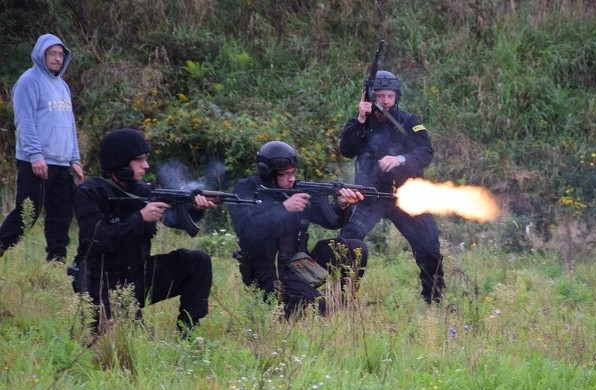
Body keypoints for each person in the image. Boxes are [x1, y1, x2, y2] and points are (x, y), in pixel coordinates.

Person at [72, 128, 216, 336]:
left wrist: (195, 209)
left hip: (138, 275)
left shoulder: (143, 191)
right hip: (103, 283)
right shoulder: (90, 193)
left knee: (197, 261)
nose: (146, 165)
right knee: (134, 342)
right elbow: (97, 240)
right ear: (119, 162)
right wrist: (139, 219)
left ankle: (188, 331)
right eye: (139, 160)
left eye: (145, 159)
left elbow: (175, 220)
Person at [339, 70, 444, 304]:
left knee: (429, 246)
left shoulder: (409, 122)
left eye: (390, 96)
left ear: (397, 96)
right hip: (370, 197)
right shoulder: (360, 123)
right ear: (370, 97)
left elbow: (425, 152)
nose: (385, 101)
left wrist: (400, 160)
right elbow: (346, 150)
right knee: (348, 242)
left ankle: (434, 299)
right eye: (380, 96)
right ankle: (342, 298)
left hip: (405, 196)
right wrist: (360, 120)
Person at [229, 141, 368, 318]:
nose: (291, 179)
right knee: (321, 308)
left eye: (293, 173)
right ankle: (294, 306)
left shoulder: (297, 190)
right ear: (268, 173)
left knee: (356, 249)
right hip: (268, 275)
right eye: (284, 175)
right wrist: (283, 209)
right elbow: (247, 229)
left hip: (298, 266)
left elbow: (330, 220)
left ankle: (343, 300)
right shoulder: (247, 190)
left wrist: (341, 206)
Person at [0, 33, 85, 262]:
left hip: (61, 162)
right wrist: (36, 155)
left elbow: (69, 124)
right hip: (36, 162)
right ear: (41, 54)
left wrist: (74, 160)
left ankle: (56, 261)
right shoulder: (29, 81)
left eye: (60, 54)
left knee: (61, 215)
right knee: (26, 215)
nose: (57, 58)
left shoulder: (63, 87)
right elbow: (24, 121)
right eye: (52, 53)